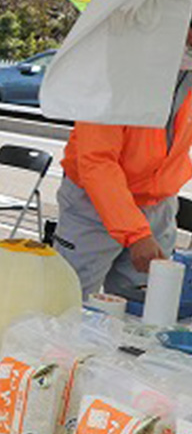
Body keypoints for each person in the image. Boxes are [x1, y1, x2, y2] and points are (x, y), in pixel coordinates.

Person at [55, 37, 192, 301]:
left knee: (146, 310)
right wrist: (135, 233)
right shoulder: (115, 71)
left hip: (157, 206)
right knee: (71, 302)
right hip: (92, 206)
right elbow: (97, 162)